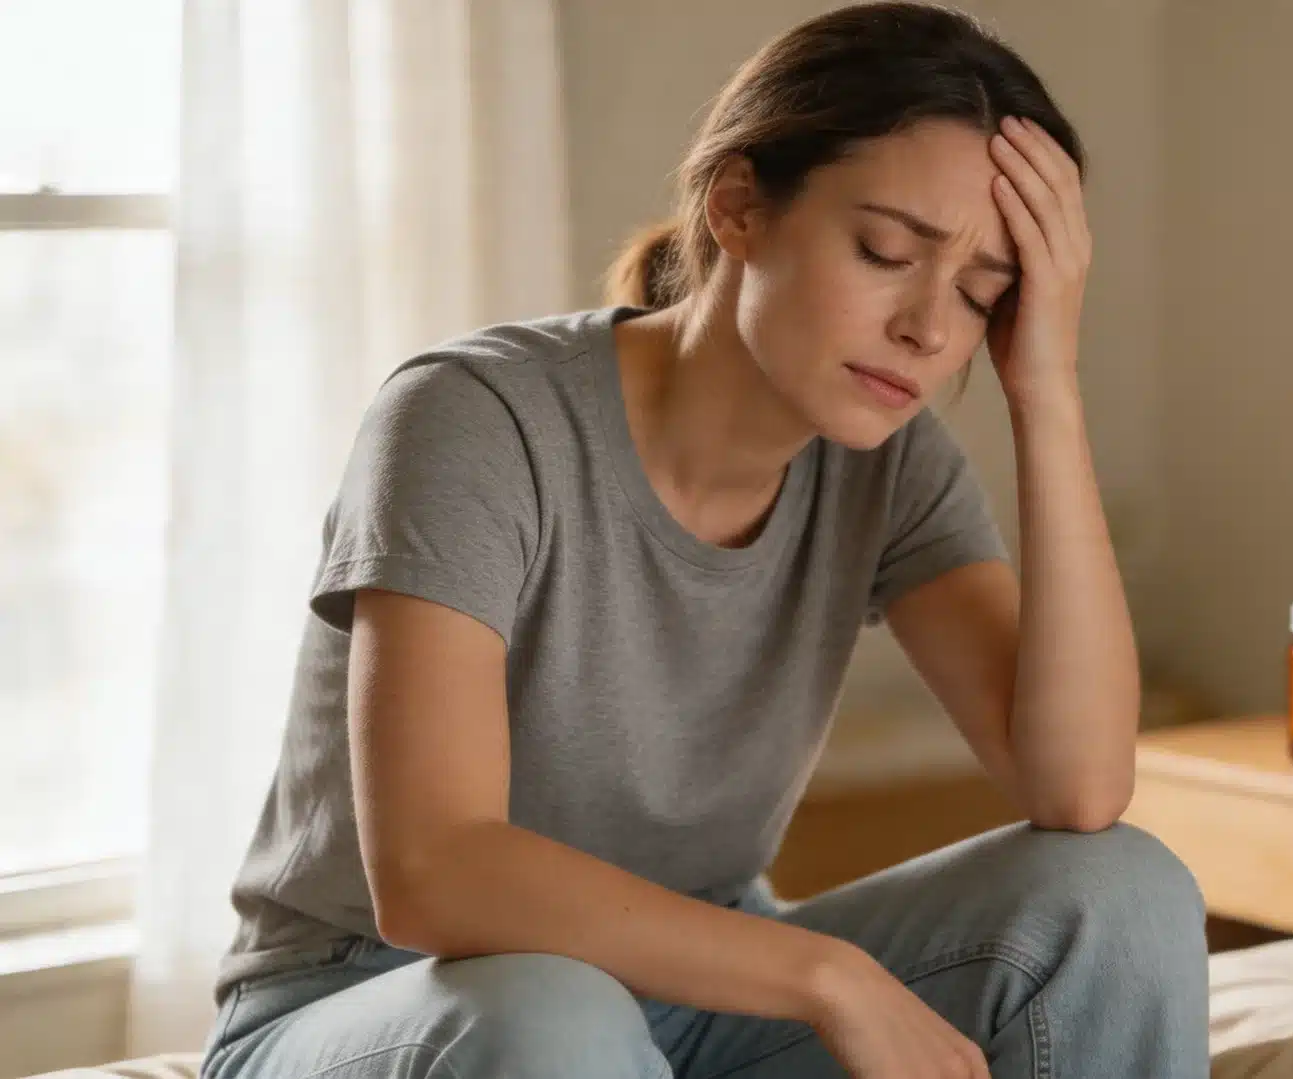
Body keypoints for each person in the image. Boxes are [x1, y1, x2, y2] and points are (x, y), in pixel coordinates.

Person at [199, 4, 1208, 1077]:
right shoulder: (473, 417)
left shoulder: (889, 463)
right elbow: (435, 871)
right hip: (389, 994)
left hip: (681, 1003)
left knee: (1120, 889)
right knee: (555, 1012)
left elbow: (1079, 788)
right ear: (737, 206)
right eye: (885, 251)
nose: (929, 327)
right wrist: (828, 975)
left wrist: (1045, 384)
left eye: (978, 292)